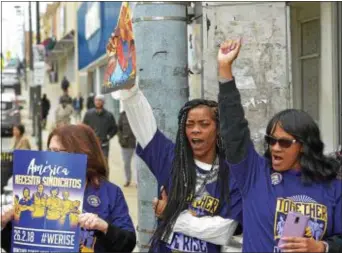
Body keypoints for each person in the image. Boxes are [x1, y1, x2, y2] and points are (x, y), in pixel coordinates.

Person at [217, 39, 341, 252]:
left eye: (284, 142)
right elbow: (233, 131)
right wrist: (225, 69)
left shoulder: (332, 186)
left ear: (303, 145)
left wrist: (321, 247)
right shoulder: (254, 175)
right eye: (271, 140)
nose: (275, 147)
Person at [116, 82, 242, 252]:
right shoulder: (171, 159)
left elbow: (222, 231)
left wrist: (171, 216)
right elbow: (144, 129)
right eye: (189, 124)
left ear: (218, 129)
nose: (195, 130)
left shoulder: (233, 176)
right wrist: (130, 91)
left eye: (204, 124)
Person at [1, 124, 136, 252]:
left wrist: (103, 227)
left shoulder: (109, 192)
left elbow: (128, 243)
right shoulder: (37, 189)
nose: (52, 156)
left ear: (82, 152)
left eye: (59, 151)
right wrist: (5, 224)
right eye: (50, 150)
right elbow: (18, 245)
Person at [118, 108, 136, 187]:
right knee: (126, 164)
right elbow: (119, 129)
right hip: (126, 144)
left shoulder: (137, 113)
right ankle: (128, 180)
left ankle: (137, 182)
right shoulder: (122, 115)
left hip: (137, 144)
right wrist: (121, 140)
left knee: (137, 164)